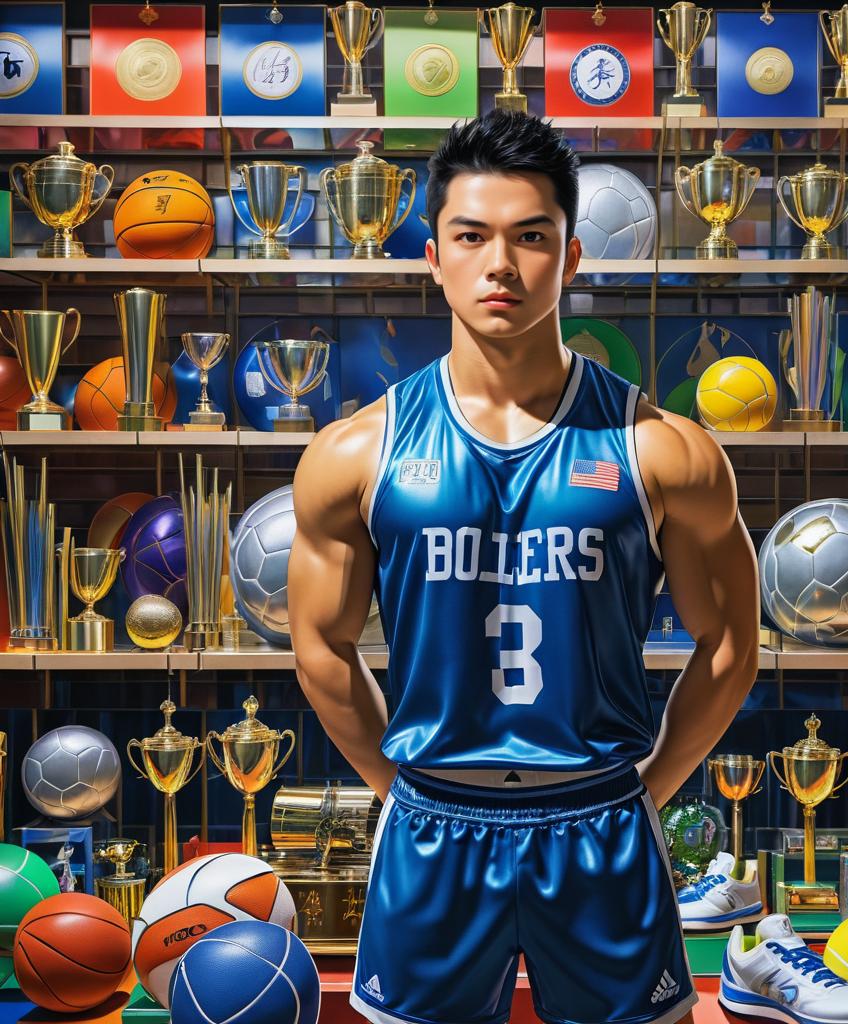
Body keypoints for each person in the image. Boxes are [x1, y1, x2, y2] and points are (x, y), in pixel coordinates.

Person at [289, 109, 760, 1024]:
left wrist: (645, 789)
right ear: (434, 256)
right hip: (435, 824)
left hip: (600, 820)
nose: (499, 264)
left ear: (573, 258)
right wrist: (406, 793)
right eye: (471, 236)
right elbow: (320, 646)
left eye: (530, 237)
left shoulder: (664, 451)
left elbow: (731, 647)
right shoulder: (358, 452)